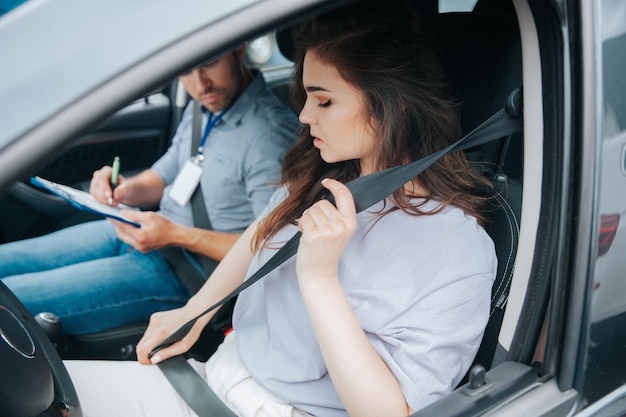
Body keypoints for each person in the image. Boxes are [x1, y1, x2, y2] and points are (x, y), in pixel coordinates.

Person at [64, 1, 498, 416]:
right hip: (215, 375)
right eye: (306, 97)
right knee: (45, 389)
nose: (305, 115)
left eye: (324, 100)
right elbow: (260, 232)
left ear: (395, 103)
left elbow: (391, 412)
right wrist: (195, 311)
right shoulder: (322, 175)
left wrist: (320, 278)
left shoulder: (456, 250)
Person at [0, 45, 299, 335]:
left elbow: (268, 248)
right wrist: (124, 188)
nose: (200, 84)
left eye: (209, 63)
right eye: (186, 71)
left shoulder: (269, 136)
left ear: (238, 50)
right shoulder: (204, 107)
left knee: (12, 298)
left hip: (189, 273)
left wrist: (174, 235)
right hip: (147, 233)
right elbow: (165, 174)